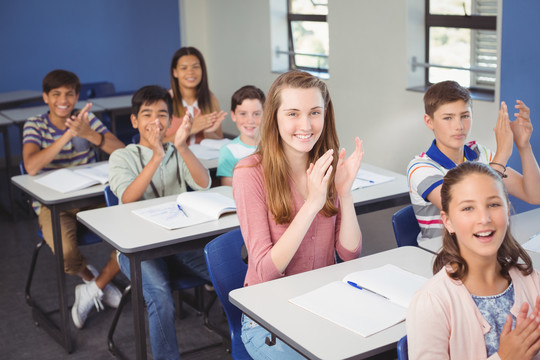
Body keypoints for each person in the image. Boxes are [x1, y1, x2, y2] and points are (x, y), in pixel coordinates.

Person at [233, 70, 363, 359]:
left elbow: (349, 253)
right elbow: (265, 271)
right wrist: (312, 204)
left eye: (315, 112)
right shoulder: (249, 173)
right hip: (268, 318)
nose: (305, 125)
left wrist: (345, 192)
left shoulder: (325, 165)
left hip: (324, 304)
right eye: (293, 113)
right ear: (274, 117)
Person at [108, 85, 211, 360]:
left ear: (170, 120)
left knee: (230, 273)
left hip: (178, 241)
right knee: (161, 299)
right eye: (147, 114)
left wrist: (181, 147)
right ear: (134, 121)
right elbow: (128, 198)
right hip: (138, 249)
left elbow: (203, 184)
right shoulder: (122, 157)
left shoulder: (176, 151)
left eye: (162, 114)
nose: (156, 121)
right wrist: (156, 156)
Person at [22, 69, 125, 329]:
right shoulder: (34, 124)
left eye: (69, 93)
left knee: (131, 232)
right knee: (67, 254)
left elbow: (122, 151)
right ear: (46, 97)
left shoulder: (86, 119)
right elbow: (32, 166)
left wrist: (88, 133)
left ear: (77, 95)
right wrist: (67, 135)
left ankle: (94, 288)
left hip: (91, 196)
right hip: (53, 204)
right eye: (56, 94)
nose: (63, 100)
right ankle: (91, 278)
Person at [407, 162, 540, 359]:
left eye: (494, 204)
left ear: (508, 210)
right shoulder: (432, 303)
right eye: (468, 208)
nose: (484, 218)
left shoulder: (533, 282)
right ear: (448, 221)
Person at [407, 80, 540, 242]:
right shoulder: (420, 168)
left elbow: (535, 195)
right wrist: (502, 154)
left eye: (465, 116)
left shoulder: (479, 153)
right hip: (442, 254)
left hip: (484, 246)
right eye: (448, 118)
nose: (459, 126)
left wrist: (523, 145)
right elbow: (465, 208)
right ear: (429, 121)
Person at [165, 46, 227, 144]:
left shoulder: (211, 99)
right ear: (175, 72)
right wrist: (188, 130)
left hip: (203, 159)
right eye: (184, 68)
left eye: (196, 66)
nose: (190, 72)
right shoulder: (163, 101)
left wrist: (208, 132)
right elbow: (156, 145)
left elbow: (219, 142)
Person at [217, 85, 265, 186]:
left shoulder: (276, 146)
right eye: (243, 114)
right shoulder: (228, 151)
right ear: (233, 115)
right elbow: (227, 190)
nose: (250, 120)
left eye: (256, 114)